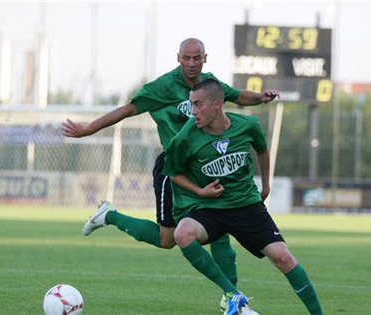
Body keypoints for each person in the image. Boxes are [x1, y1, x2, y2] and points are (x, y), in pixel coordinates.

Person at [62, 38, 279, 313]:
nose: (191, 63)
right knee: (168, 240)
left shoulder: (210, 84)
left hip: (204, 165)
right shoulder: (162, 87)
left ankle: (232, 297)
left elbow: (237, 95)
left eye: (196, 58)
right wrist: (88, 129)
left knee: (220, 229)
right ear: (178, 58)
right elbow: (127, 110)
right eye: (186, 58)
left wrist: (260, 98)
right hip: (173, 169)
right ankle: (110, 215)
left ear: (205, 59)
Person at [163, 78, 322, 315]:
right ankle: (232, 294)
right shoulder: (185, 138)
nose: (193, 111)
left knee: (284, 259)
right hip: (210, 207)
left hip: (246, 205)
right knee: (182, 233)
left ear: (217, 104)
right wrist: (199, 191)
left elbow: (263, 149)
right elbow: (173, 172)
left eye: (198, 104)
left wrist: (266, 185)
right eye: (191, 105)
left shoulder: (248, 125)